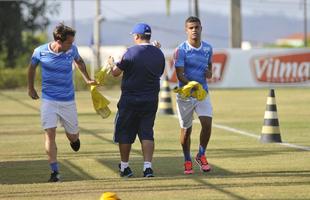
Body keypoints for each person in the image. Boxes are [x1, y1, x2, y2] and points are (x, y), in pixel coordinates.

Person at [27, 23, 96, 182]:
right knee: (49, 134)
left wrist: (87, 79)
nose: (72, 45)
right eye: (69, 42)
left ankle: (74, 139)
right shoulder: (40, 51)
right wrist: (30, 88)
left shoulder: (73, 50)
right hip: (48, 100)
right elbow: (31, 69)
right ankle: (55, 172)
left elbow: (79, 61)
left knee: (73, 136)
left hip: (68, 101)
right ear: (59, 40)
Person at [107, 23, 165, 178]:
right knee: (147, 132)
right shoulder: (159, 53)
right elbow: (159, 72)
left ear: (138, 36)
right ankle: (147, 168)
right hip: (151, 99)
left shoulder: (130, 52)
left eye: (134, 35)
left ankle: (125, 167)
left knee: (125, 132)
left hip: (130, 99)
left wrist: (112, 63)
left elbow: (116, 73)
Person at [173, 16, 213, 174]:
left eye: (196, 27)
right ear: (186, 30)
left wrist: (209, 73)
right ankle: (187, 159)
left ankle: (201, 154)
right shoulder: (181, 49)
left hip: (203, 93)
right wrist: (193, 85)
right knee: (186, 131)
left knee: (207, 124)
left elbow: (209, 69)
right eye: (191, 28)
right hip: (186, 95)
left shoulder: (208, 48)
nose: (194, 30)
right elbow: (179, 74)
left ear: (201, 28)